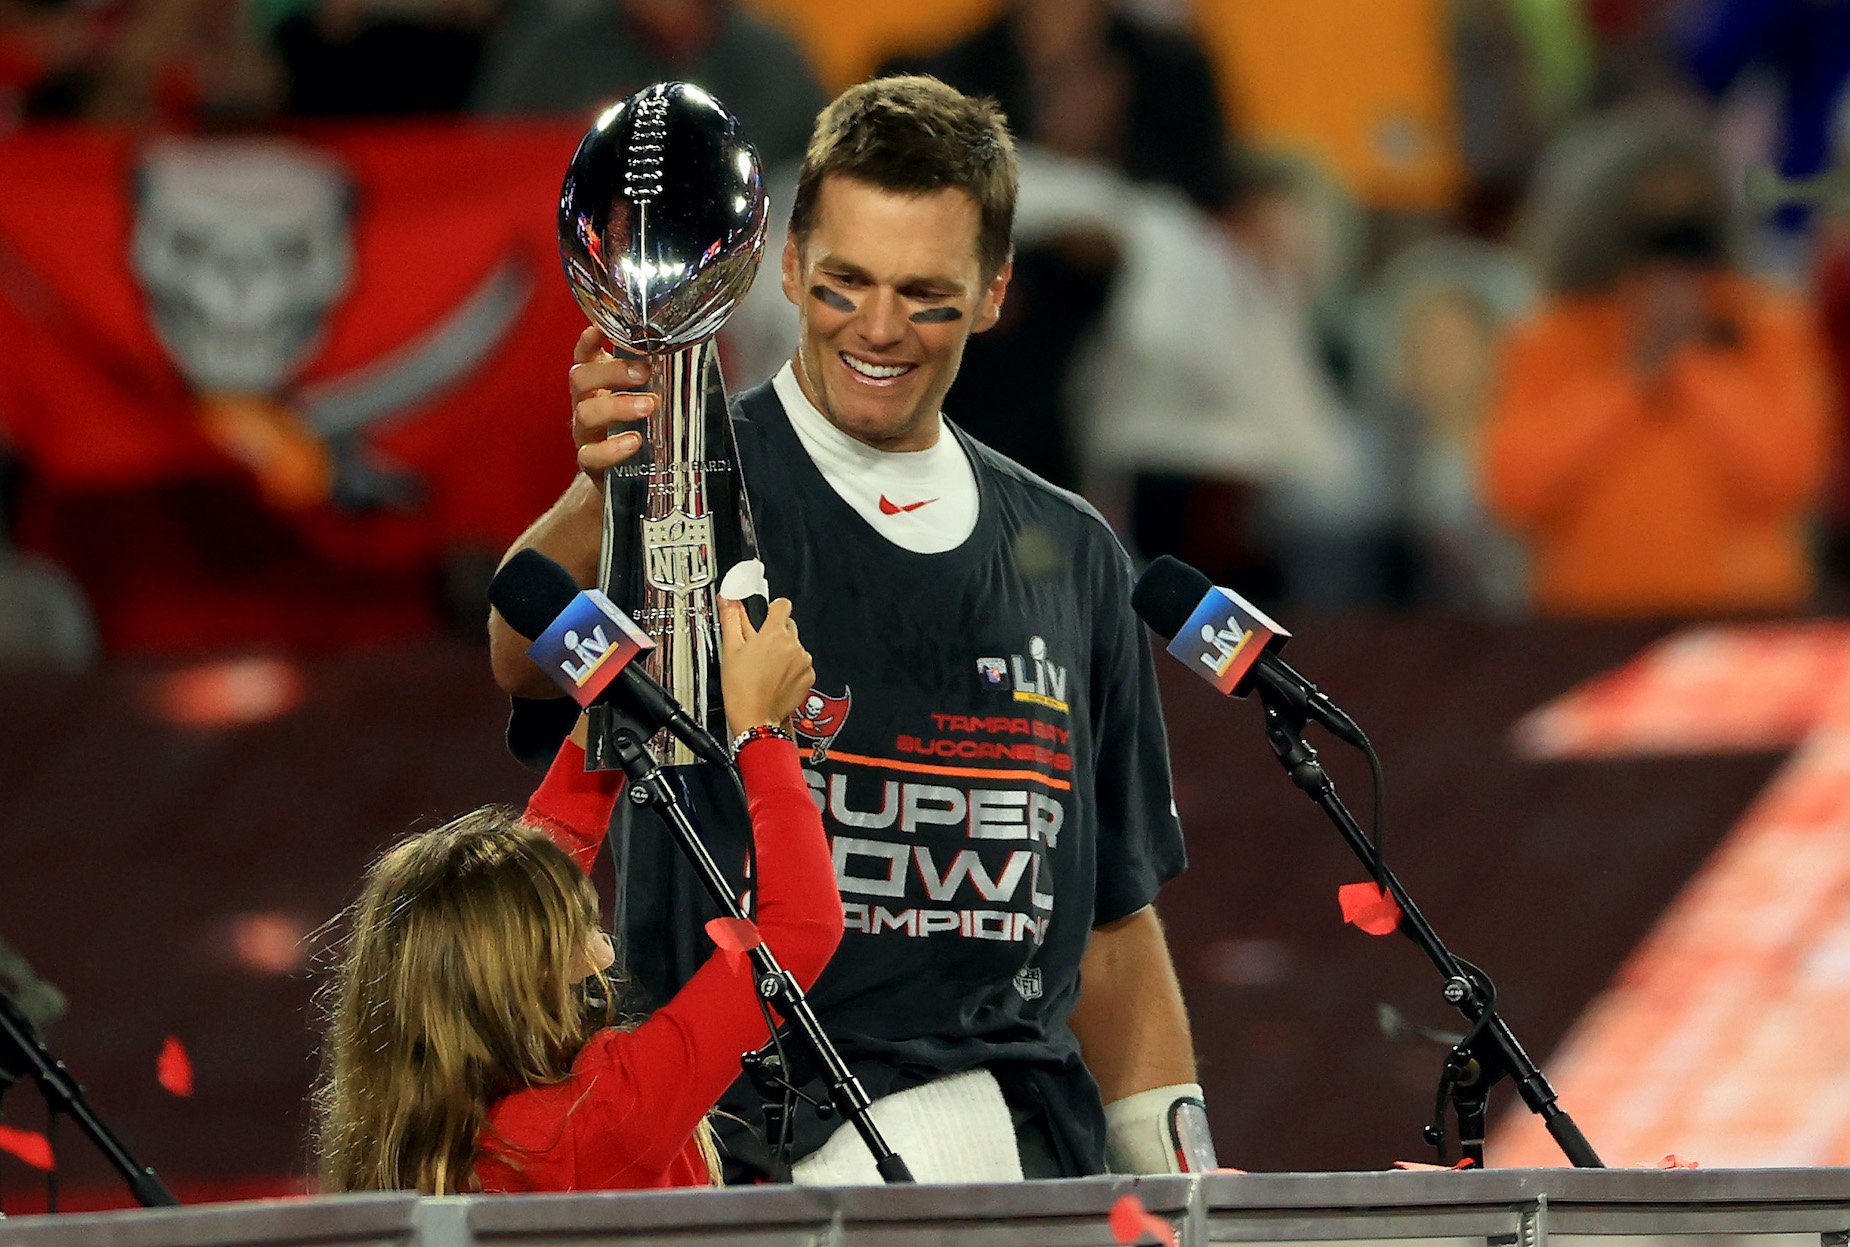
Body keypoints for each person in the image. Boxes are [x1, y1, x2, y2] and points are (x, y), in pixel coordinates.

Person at [489, 76, 1203, 1183]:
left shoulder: (1074, 554)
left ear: (994, 290)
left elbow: (1110, 924)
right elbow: (519, 653)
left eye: (924, 294)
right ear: (782, 268)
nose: (877, 329)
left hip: (1013, 1155)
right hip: (737, 1150)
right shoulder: (692, 479)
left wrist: (1183, 1178)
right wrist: (606, 494)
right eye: (843, 285)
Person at [316, 595, 839, 1193]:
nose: (605, 954)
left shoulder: (412, 1131)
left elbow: (544, 853)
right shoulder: (601, 1115)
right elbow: (799, 931)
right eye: (584, 925)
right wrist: (763, 731)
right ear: (529, 967)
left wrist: (611, 686)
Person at [1485, 104, 1833, 617]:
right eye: (1650, 234)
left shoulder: (1767, 324)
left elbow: (1790, 475)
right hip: (1587, 621)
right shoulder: (1555, 332)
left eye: (1686, 234)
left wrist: (1692, 363)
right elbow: (1513, 488)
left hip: (1743, 617)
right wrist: (1631, 378)